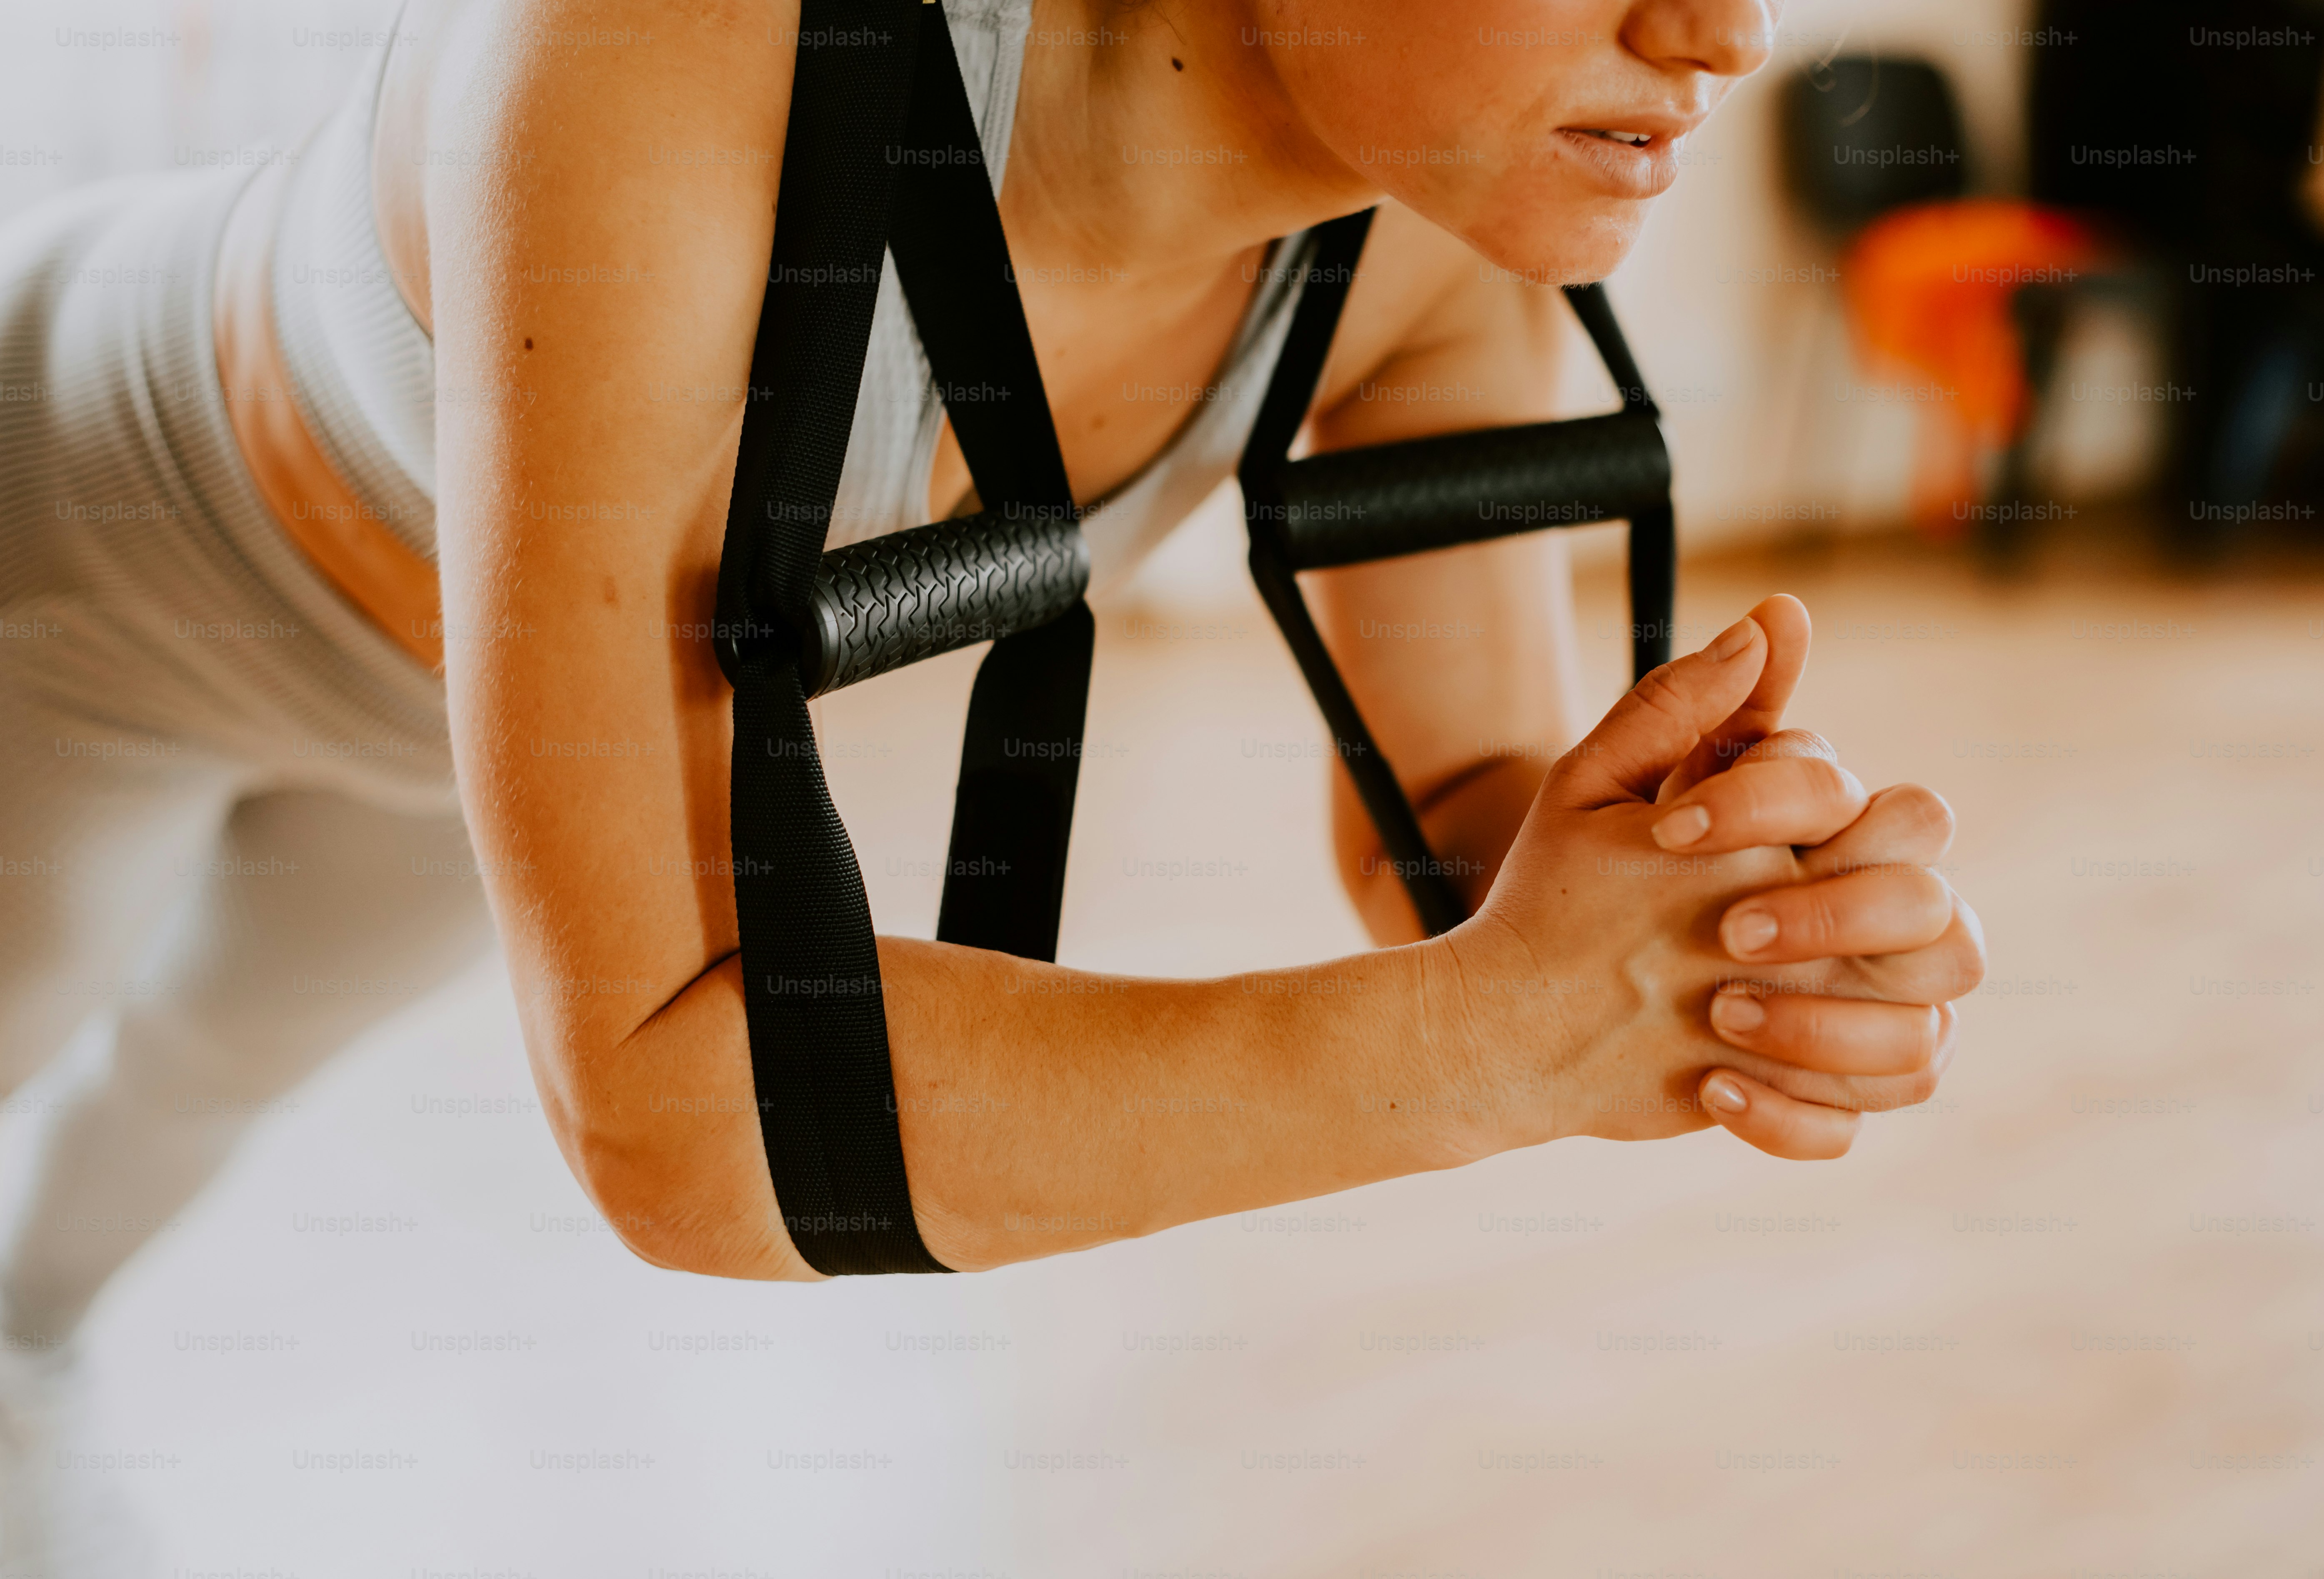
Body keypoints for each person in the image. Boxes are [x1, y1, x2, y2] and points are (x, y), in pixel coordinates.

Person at [0, 0, 1978, 1351]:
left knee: (151, 1136)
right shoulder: (678, 54)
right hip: (66, 569)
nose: (1726, 36)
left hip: (459, 743)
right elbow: (682, 1122)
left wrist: (1705, 939)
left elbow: (1466, 821)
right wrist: (1486, 1041)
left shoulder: (1436, 222)